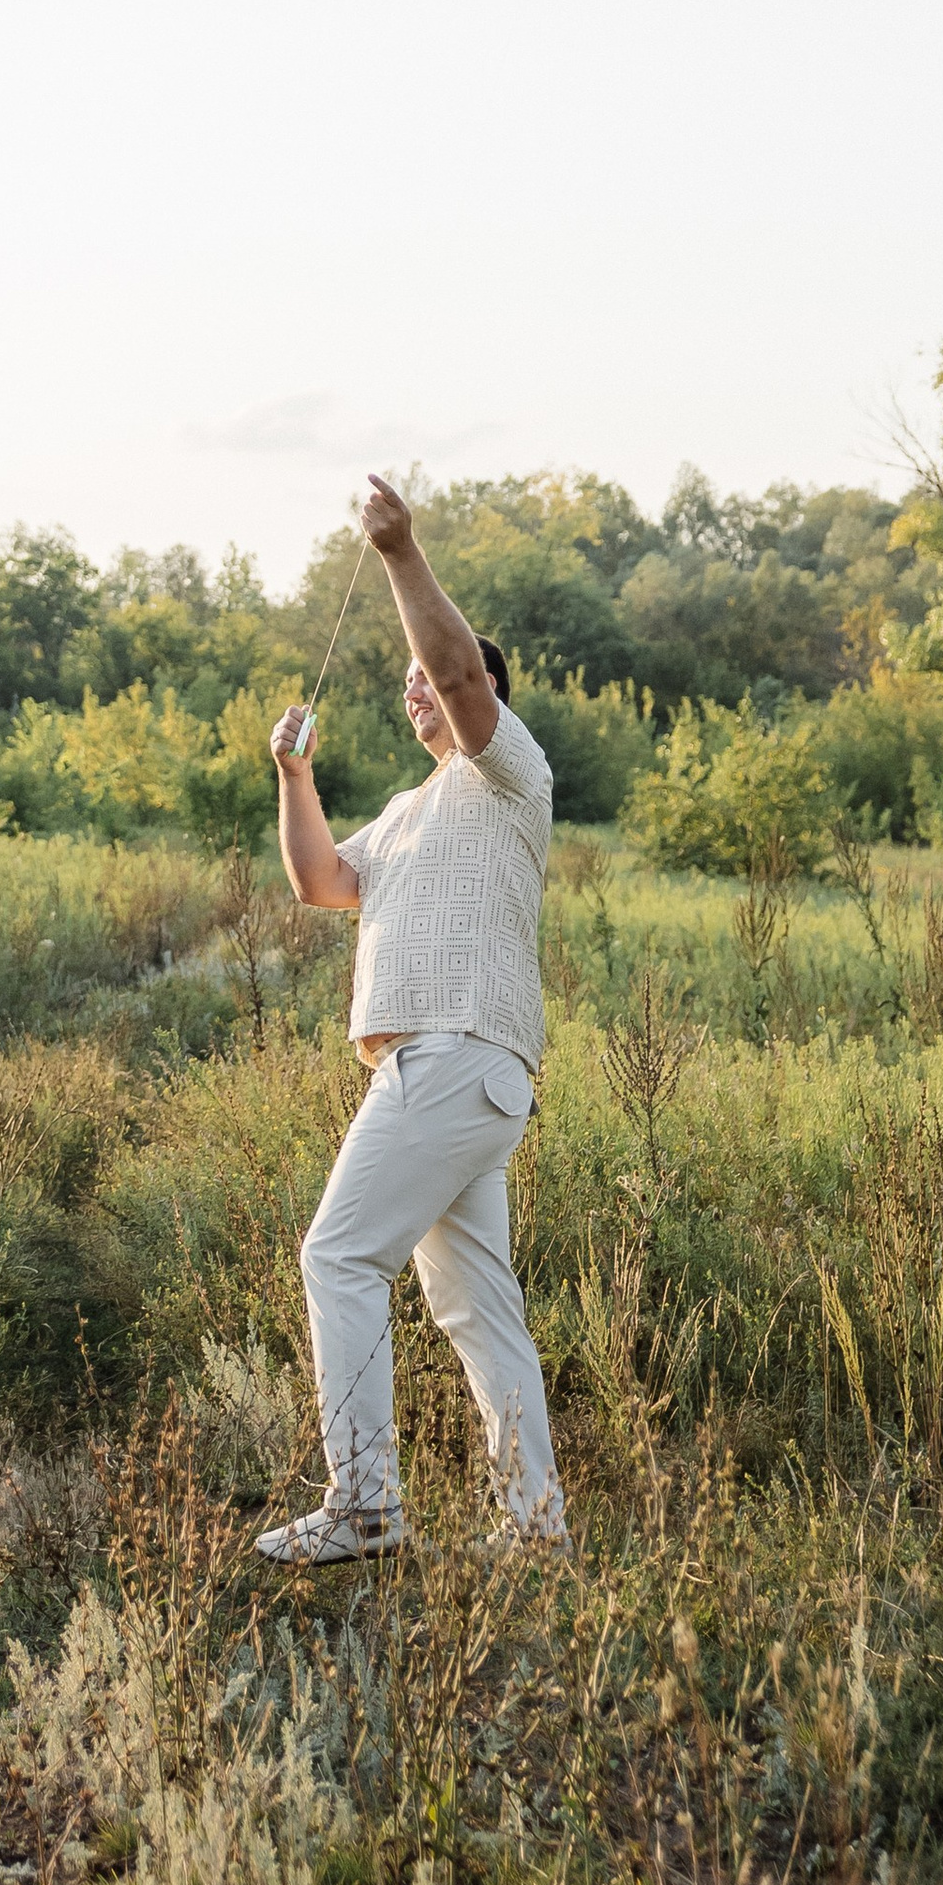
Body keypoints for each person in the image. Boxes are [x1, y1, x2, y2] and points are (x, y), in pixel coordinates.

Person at [263, 473, 564, 1561]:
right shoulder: (403, 812)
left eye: (434, 679)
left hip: (450, 1061)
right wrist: (294, 774)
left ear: (484, 688)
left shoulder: (507, 771)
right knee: (481, 1314)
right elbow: (317, 885)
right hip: (459, 1083)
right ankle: (535, 1531)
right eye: (406, 685)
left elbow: (454, 667)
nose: (418, 691)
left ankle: (363, 1506)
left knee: (336, 1259)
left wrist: (398, 554)